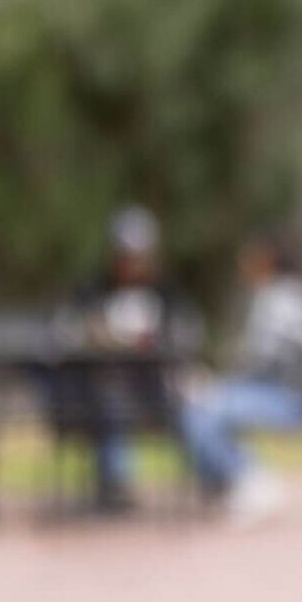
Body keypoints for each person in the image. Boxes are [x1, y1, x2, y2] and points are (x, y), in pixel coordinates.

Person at [180, 234, 302, 520]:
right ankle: (233, 481)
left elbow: (269, 356)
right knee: (200, 409)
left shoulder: (282, 298)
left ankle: (249, 477)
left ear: (266, 260)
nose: (243, 266)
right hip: (278, 391)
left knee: (204, 408)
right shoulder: (287, 293)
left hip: (287, 397)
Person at [52, 205, 201, 515]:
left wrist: (160, 338)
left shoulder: (165, 291)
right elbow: (65, 332)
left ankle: (214, 478)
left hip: (153, 388)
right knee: (109, 401)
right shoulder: (92, 289)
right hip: (101, 388)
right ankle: (114, 484)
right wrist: (96, 333)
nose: (133, 263)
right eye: (127, 254)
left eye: (140, 255)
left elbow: (190, 332)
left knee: (196, 407)